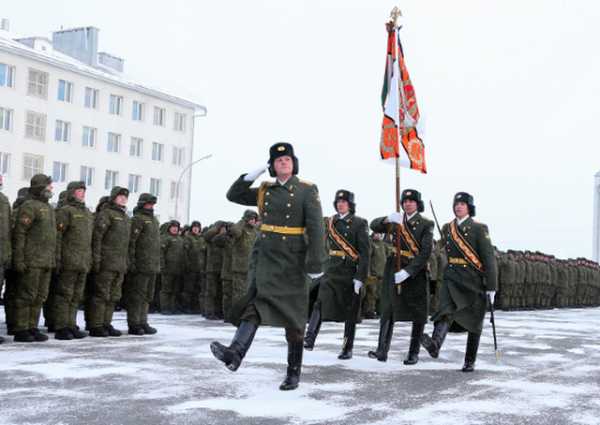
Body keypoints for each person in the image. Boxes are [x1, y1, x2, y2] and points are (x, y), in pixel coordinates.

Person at [210, 142, 325, 391]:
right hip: (267, 259)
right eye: (278, 160)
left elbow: (317, 227)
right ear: (272, 166)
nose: (283, 162)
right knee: (255, 305)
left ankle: (293, 373)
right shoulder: (265, 190)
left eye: (287, 159)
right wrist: (252, 175)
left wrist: (316, 262)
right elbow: (233, 195)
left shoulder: (307, 190)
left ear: (294, 164)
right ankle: (235, 353)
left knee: (294, 319)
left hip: (293, 261)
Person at [420, 192, 497, 372]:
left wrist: (492, 287)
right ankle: (435, 344)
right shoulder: (448, 228)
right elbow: (440, 246)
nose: (458, 207)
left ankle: (470, 361)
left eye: (462, 204)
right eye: (456, 204)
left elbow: (488, 259)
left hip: (473, 280)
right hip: (452, 278)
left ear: (469, 207)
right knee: (445, 311)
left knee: (474, 321)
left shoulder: (479, 228)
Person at [367, 189, 434, 364]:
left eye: (411, 201)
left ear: (417, 204)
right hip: (394, 266)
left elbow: (426, 252)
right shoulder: (396, 220)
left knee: (418, 313)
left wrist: (408, 272)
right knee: (387, 309)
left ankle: (413, 353)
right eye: (405, 201)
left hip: (415, 270)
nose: (407, 204)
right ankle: (382, 350)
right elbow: (373, 225)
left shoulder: (426, 224)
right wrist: (387, 219)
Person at [303, 190, 369, 360]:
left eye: (344, 202)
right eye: (338, 202)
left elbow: (365, 253)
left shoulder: (359, 223)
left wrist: (360, 277)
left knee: (350, 313)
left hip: (349, 271)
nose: (340, 204)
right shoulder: (329, 222)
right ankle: (309, 339)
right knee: (320, 302)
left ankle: (347, 348)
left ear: (350, 205)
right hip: (331, 269)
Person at [12, 174, 56, 342]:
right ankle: (21, 329)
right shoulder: (29, 206)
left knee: (39, 297)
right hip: (31, 260)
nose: (51, 188)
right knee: (27, 296)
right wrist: (19, 259)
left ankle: (32, 327)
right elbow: (20, 233)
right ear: (40, 187)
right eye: (49, 186)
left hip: (45, 261)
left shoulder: (48, 208)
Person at [87, 186, 130, 337]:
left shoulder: (125, 217)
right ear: (113, 197)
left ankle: (106, 323)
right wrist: (97, 259)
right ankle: (96, 325)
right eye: (120, 196)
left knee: (113, 296)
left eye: (125, 197)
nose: (123, 199)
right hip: (106, 262)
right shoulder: (106, 214)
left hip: (119, 264)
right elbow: (97, 238)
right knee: (101, 295)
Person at [52, 181, 93, 340]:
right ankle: (61, 327)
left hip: (82, 261)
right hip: (68, 260)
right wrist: (58, 258)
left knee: (76, 296)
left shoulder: (87, 213)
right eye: (79, 190)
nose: (82, 193)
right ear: (71, 192)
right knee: (64, 295)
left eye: (83, 190)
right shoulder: (65, 211)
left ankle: (71, 324)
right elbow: (58, 236)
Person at [125, 193, 160, 335]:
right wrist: (132, 261)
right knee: (137, 296)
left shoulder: (154, 220)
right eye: (148, 204)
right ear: (142, 204)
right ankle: (134, 323)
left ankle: (143, 321)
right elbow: (132, 242)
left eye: (152, 204)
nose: (151, 206)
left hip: (152, 264)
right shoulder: (137, 219)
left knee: (147, 296)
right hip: (140, 263)